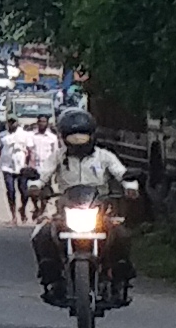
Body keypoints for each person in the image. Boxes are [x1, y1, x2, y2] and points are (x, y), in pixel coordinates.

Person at [29, 109, 137, 306]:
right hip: (64, 208)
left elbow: (121, 173)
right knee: (41, 234)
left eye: (82, 136)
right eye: (73, 137)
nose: (78, 141)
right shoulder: (57, 157)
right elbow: (42, 174)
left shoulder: (104, 156)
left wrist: (130, 186)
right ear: (63, 137)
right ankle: (53, 281)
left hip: (99, 208)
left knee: (121, 235)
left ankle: (118, 281)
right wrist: (35, 184)